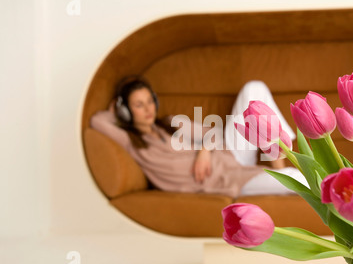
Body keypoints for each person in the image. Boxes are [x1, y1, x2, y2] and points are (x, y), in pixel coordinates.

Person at [90, 76, 307, 198]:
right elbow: (97, 121)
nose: (148, 108)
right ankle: (324, 186)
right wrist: (115, 112)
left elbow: (213, 133)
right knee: (295, 179)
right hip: (226, 180)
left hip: (232, 153)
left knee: (254, 89)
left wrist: (203, 151)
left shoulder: (170, 123)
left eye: (149, 101)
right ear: (125, 112)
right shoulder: (132, 143)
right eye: (138, 105)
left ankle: (278, 163)